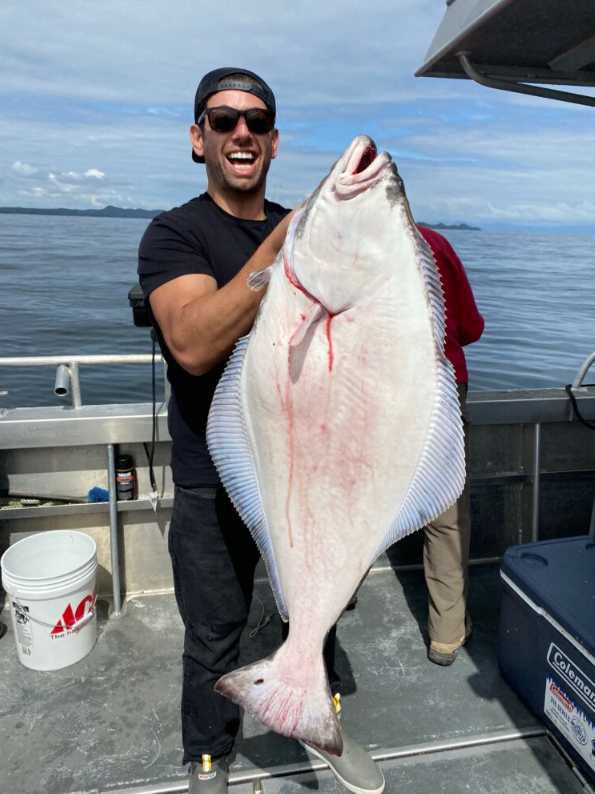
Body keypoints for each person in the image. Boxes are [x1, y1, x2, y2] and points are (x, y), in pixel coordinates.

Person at [137, 67, 385, 794]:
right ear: (198, 139)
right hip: (215, 480)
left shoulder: (310, 229)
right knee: (213, 630)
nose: (239, 131)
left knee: (318, 613)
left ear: (273, 141)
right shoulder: (175, 233)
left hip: (312, 475)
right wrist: (277, 254)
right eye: (222, 120)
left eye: (255, 120)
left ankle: (320, 716)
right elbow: (190, 341)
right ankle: (208, 756)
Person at [417, 226, 484, 666]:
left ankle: (339, 601)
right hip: (440, 384)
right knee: (445, 514)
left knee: (364, 506)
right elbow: (471, 327)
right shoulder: (433, 243)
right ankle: (446, 633)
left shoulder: (342, 247)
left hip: (371, 391)